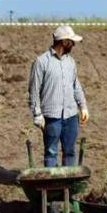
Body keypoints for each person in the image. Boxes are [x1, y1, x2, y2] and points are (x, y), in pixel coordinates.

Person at [29, 26, 89, 167]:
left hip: (71, 116)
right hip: (52, 117)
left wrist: (83, 106)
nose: (73, 45)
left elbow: (76, 86)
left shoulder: (71, 62)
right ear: (64, 42)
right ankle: (52, 186)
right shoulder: (41, 62)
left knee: (70, 151)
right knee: (51, 152)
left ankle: (68, 183)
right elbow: (34, 90)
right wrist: (37, 114)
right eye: (72, 41)